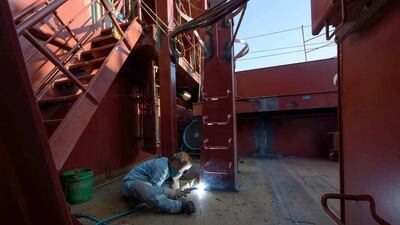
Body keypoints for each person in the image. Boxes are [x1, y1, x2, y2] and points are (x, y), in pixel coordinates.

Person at [121, 152, 195, 214]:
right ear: (177, 163)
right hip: (131, 184)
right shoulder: (162, 168)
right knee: (153, 192)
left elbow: (172, 185)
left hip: (147, 183)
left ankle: (137, 198)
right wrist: (172, 193)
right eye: (184, 170)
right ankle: (180, 206)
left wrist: (176, 192)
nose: (183, 172)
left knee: (167, 187)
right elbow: (155, 189)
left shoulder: (169, 165)